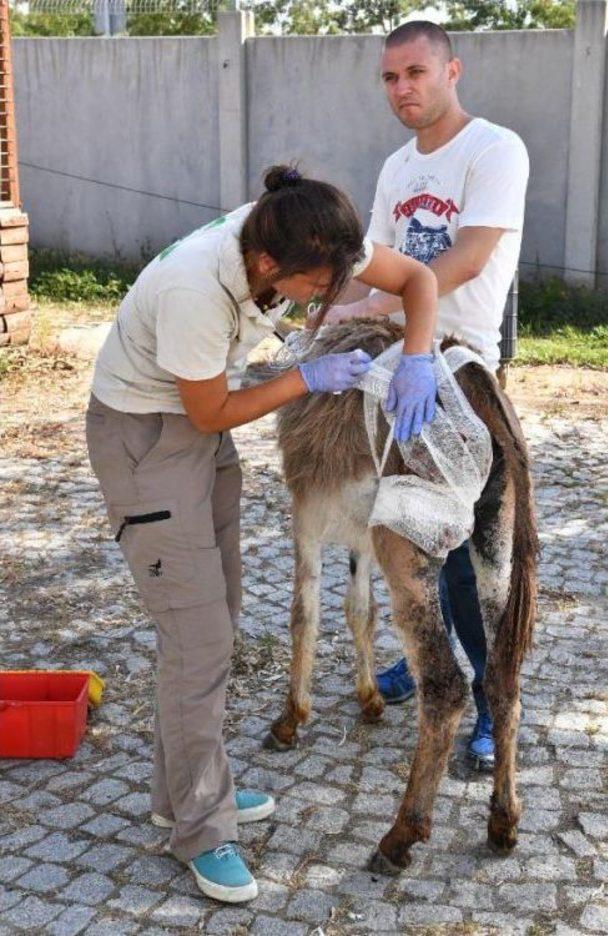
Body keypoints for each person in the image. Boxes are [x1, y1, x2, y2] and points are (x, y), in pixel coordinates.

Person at [85, 165, 439, 904]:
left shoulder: (305, 230)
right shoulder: (194, 289)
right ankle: (201, 829)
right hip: (148, 438)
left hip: (197, 434)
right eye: (320, 290)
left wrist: (418, 356)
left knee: (216, 620)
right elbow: (212, 411)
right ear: (269, 266)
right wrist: (307, 380)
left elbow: (417, 282)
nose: (329, 302)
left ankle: (180, 790)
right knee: (199, 637)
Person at [324, 21, 530, 767]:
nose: (402, 89)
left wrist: (400, 310)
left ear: (452, 71)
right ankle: (426, 667)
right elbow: (373, 270)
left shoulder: (494, 150)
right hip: (395, 371)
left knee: (475, 558)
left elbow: (470, 258)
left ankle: (490, 703)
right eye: (390, 78)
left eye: (416, 72)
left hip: (458, 373)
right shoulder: (395, 168)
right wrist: (329, 306)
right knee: (408, 539)